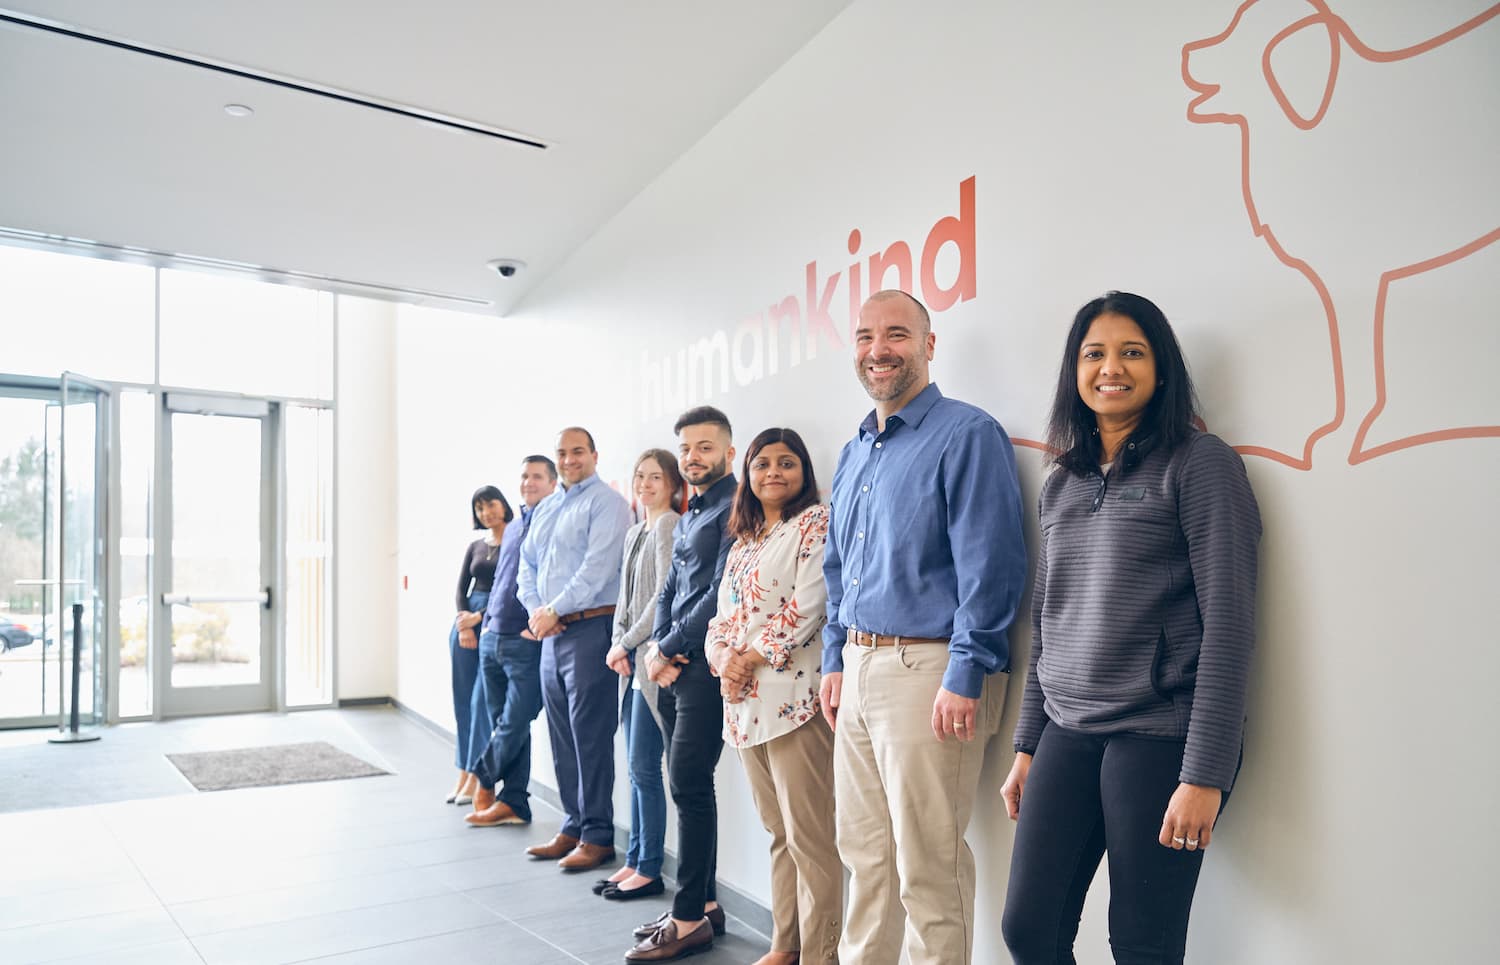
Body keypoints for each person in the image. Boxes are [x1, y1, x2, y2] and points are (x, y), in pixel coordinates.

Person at [999, 291, 1261, 965]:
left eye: (1132, 352)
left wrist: (1205, 771)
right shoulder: (1061, 480)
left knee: (1142, 946)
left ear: (1162, 369)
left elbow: (1230, 626)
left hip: (1159, 735)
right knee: (1029, 929)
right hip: (1068, 729)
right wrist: (1028, 743)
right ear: (1075, 371)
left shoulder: (1200, 463)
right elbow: (1047, 623)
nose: (1110, 367)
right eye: (1094, 353)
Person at [820, 289, 1027, 965]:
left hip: (932, 671)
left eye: (897, 334)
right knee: (865, 857)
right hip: (857, 667)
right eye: (865, 336)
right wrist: (833, 659)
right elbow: (836, 566)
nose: (879, 349)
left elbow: (991, 566)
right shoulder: (855, 450)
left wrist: (967, 673)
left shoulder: (969, 434)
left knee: (926, 866)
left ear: (929, 345)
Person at [707, 427, 841, 965]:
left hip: (794, 704)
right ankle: (786, 943)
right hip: (743, 708)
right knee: (778, 832)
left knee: (811, 839)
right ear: (748, 475)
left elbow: (812, 604)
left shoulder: (814, 523)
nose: (774, 473)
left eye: (787, 463)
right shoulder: (744, 542)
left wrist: (749, 657)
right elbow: (721, 620)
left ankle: (821, 953)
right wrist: (724, 660)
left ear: (804, 471)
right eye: (763, 464)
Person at [624, 406, 737, 962]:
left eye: (705, 447)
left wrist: (666, 647)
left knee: (688, 784)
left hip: (704, 670)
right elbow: (671, 584)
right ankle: (706, 904)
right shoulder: (693, 510)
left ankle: (689, 917)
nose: (694, 456)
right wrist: (656, 649)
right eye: (687, 448)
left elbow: (719, 594)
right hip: (674, 665)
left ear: (728, 453)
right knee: (690, 787)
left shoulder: (734, 509)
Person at [516, 428, 633, 871]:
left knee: (590, 735)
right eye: (562, 453)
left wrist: (553, 608)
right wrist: (536, 610)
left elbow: (597, 567)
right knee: (561, 734)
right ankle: (573, 823)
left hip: (590, 629)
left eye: (577, 452)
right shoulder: (547, 507)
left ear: (594, 455)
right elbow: (527, 563)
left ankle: (598, 834)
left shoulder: (608, 504)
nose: (569, 460)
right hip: (551, 633)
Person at [597, 449, 683, 899]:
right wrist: (617, 643)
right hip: (628, 661)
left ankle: (649, 866)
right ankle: (633, 858)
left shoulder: (669, 524)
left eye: (655, 477)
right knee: (635, 768)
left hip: (651, 662)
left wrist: (627, 643)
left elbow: (662, 597)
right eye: (639, 476)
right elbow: (625, 599)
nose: (645, 484)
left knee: (645, 769)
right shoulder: (634, 532)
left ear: (672, 485)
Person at [466, 455, 558, 827]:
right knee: (507, 723)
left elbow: (556, 578)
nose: (528, 482)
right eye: (524, 476)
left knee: (514, 721)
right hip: (493, 636)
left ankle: (483, 776)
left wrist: (536, 625)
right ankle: (516, 802)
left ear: (552, 483)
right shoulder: (517, 523)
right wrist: (486, 624)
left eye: (537, 476)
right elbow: (506, 579)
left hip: (525, 641)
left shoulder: (556, 520)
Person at [446, 485, 513, 805]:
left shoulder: (515, 541)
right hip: (465, 623)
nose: (486, 513)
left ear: (504, 505)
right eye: (480, 508)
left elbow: (510, 589)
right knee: (462, 703)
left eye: (491, 505)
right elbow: (461, 588)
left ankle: (476, 773)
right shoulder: (475, 545)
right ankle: (462, 771)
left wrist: (478, 619)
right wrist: (463, 620)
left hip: (493, 619)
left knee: (479, 704)